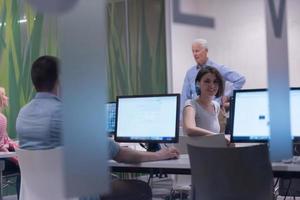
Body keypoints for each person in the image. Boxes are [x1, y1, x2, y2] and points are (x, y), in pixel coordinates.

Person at [16, 55, 179, 199]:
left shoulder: (22, 115)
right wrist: (159, 155)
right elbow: (120, 154)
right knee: (141, 188)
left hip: (38, 195)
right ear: (59, 80)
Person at [181, 38, 245, 115]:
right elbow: (184, 98)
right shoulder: (190, 73)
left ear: (206, 51)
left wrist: (227, 96)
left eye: (197, 51)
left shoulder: (218, 69)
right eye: (193, 51)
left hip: (215, 113)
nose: (195, 54)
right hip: (196, 114)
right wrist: (181, 119)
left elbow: (240, 79)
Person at [183, 66, 224, 136]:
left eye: (215, 82)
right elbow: (190, 129)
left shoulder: (216, 105)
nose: (212, 85)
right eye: (207, 81)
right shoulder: (191, 105)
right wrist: (217, 137)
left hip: (212, 146)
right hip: (196, 147)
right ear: (198, 83)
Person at [0, 87, 20, 198]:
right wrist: (16, 160)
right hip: (2, 159)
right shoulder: (1, 118)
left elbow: (5, 139)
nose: (6, 97)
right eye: (4, 95)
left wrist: (14, 144)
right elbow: (1, 147)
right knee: (23, 167)